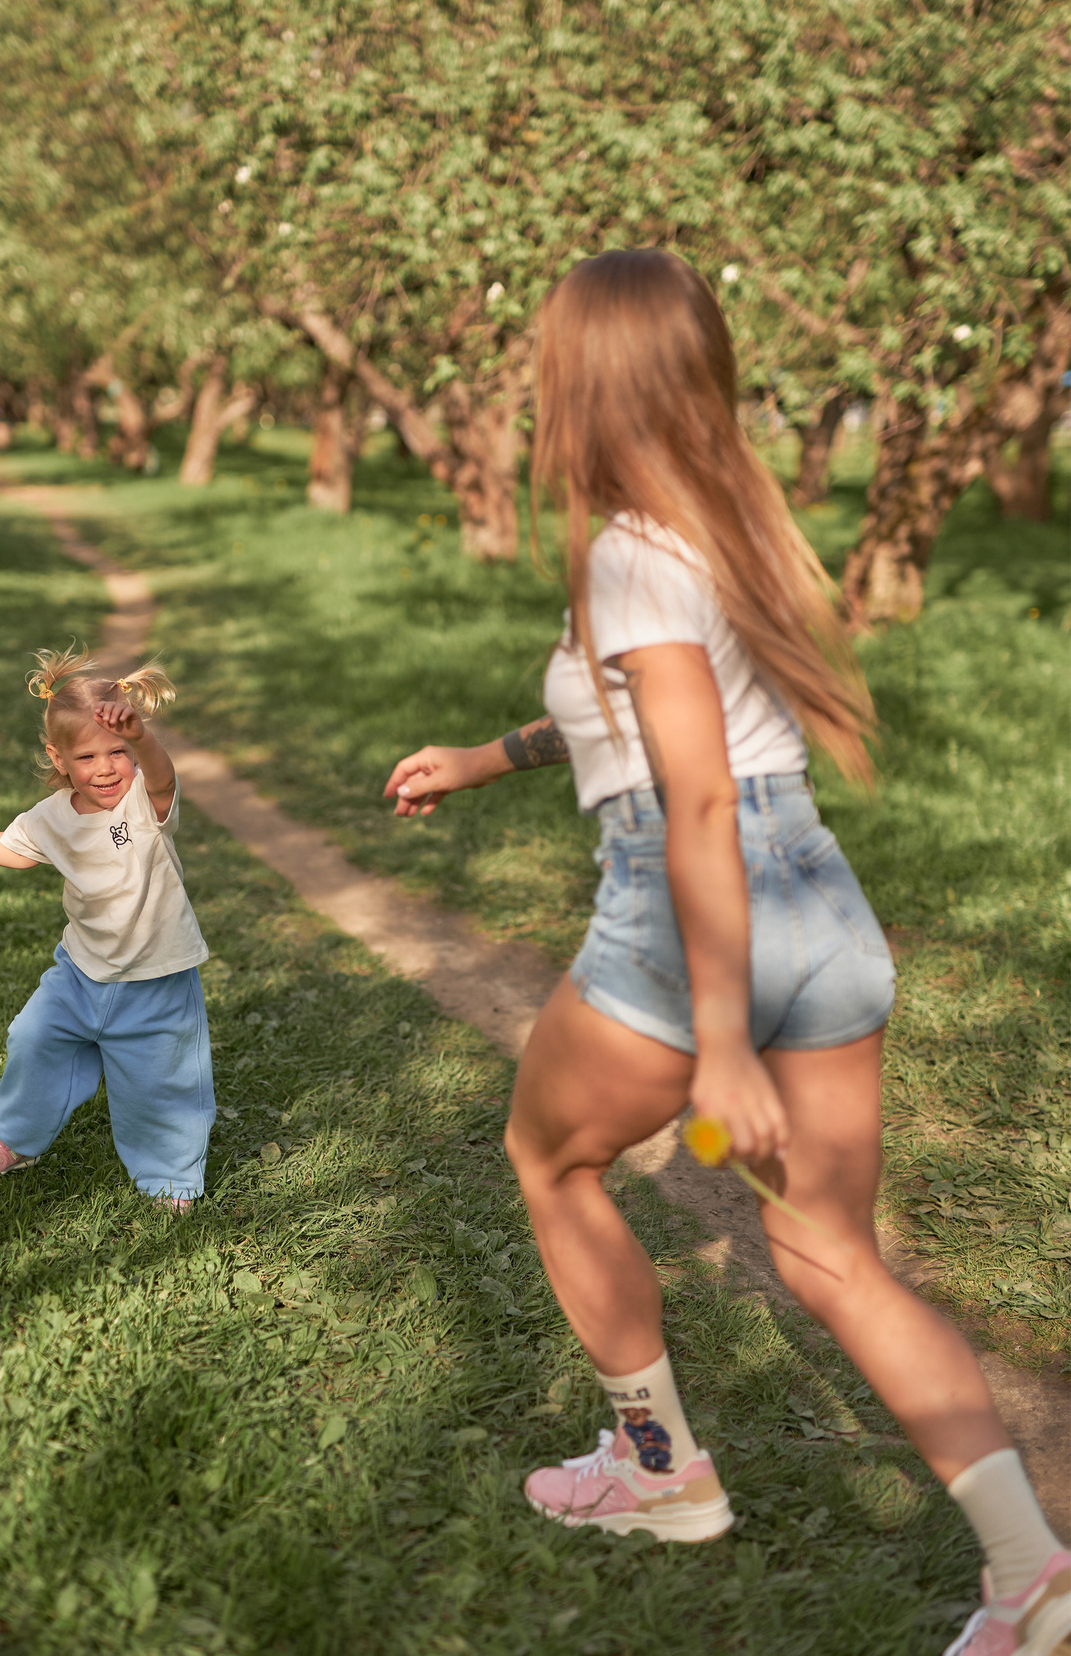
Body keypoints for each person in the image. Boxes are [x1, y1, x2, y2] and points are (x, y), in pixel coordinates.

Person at [382, 249, 1070, 1656]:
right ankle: (1032, 1572)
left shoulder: (629, 550)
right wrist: (490, 756)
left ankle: (660, 1471)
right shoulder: (723, 523)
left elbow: (693, 795)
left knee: (549, 1155)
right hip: (817, 897)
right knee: (829, 1252)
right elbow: (664, 724)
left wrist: (724, 1038)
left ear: (586, 378)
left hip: (695, 899)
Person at [0, 646, 214, 1210]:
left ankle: (172, 1177)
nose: (106, 768)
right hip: (79, 972)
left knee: (163, 1079)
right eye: (87, 757)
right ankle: (14, 1138)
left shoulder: (142, 804)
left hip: (156, 979)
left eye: (118, 751)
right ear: (58, 758)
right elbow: (16, 849)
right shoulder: (51, 815)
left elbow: (162, 775)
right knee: (34, 1039)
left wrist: (146, 742)